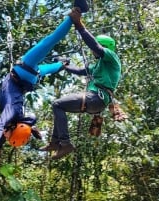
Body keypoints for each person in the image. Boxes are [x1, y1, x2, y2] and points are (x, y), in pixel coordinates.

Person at [0, 0, 89, 175]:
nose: (6, 137)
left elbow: (2, 133)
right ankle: (77, 13)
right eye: (9, 137)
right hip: (25, 72)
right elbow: (0, 131)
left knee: (52, 54)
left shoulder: (15, 118)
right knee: (50, 46)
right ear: (13, 131)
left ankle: (66, 54)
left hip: (28, 75)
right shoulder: (12, 115)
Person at [39, 8, 124, 160]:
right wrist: (64, 65)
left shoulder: (111, 57)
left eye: (97, 49)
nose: (93, 53)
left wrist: (79, 25)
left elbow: (95, 46)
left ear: (105, 46)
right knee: (58, 106)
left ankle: (65, 144)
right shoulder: (98, 65)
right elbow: (80, 70)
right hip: (95, 100)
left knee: (57, 104)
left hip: (97, 97)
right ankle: (55, 142)